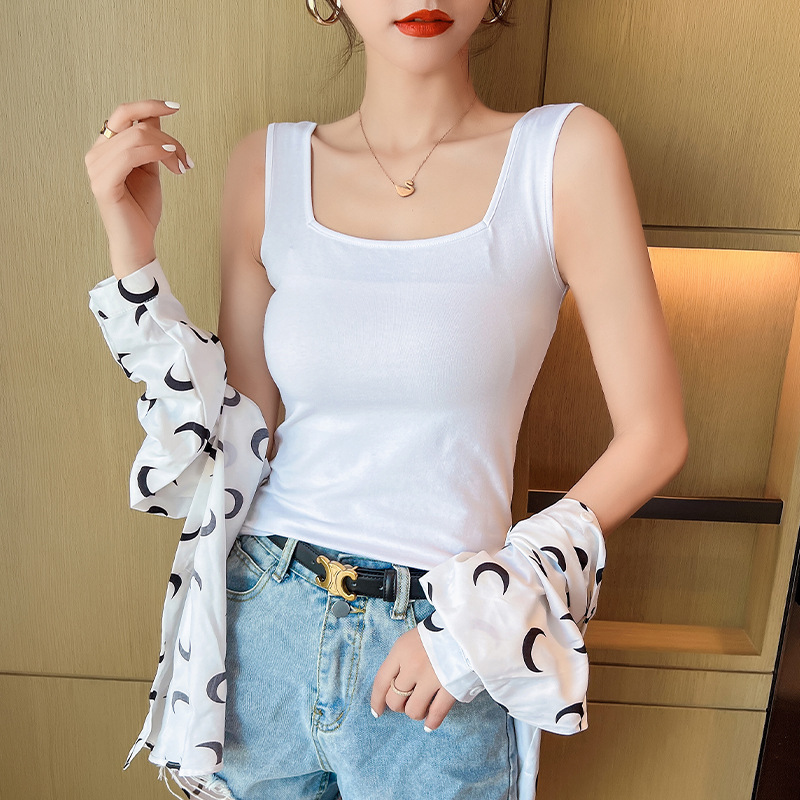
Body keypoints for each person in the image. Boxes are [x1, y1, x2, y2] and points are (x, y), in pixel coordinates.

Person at [84, 1, 689, 798]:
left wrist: (474, 626)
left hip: (440, 647)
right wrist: (133, 256)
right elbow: (234, 439)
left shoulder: (564, 155)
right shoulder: (266, 166)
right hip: (262, 625)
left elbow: (656, 437)